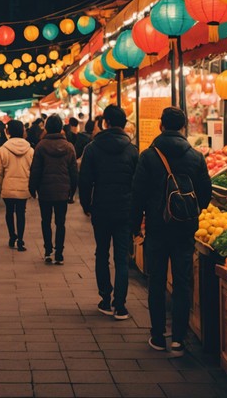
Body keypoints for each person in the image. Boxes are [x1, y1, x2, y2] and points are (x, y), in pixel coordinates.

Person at [131, 106, 212, 354]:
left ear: (160, 125)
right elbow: (205, 195)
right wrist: (187, 210)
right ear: (183, 127)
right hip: (185, 229)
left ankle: (157, 336)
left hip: (157, 227)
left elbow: (138, 195)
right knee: (182, 282)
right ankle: (178, 339)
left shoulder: (148, 156)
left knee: (156, 282)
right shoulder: (196, 157)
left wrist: (136, 226)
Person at [79, 104, 139, 318]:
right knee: (121, 257)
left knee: (101, 253)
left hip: (101, 209)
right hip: (125, 209)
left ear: (106, 123)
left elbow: (84, 181)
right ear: (123, 124)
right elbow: (137, 184)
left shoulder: (93, 148)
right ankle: (120, 305)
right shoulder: (132, 150)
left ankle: (105, 298)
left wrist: (86, 206)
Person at [29, 114, 78, 265]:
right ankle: (59, 253)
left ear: (47, 128)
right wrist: (72, 190)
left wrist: (33, 188)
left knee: (46, 221)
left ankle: (48, 250)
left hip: (45, 190)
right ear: (61, 128)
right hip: (63, 190)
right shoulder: (69, 147)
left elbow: (35, 170)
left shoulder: (41, 146)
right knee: (60, 222)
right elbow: (73, 171)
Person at [0, 119, 34, 251]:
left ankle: (12, 236)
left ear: (8, 131)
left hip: (8, 187)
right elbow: (33, 169)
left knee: (9, 212)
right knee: (21, 213)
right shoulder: (30, 150)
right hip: (24, 187)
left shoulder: (3, 149)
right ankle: (21, 240)